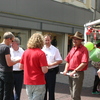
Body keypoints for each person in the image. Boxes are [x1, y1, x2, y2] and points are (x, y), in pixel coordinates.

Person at [19, 33, 48, 100]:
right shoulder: (41, 53)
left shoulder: (25, 52)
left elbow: (21, 66)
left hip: (28, 81)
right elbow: (44, 70)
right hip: (38, 81)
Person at [62, 31, 89, 100]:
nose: (74, 40)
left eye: (76, 39)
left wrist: (75, 70)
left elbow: (84, 62)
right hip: (71, 72)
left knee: (75, 93)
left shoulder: (84, 49)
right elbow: (67, 60)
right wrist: (65, 70)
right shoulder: (72, 49)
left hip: (78, 73)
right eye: (73, 39)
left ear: (80, 40)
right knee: (71, 91)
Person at [0, 32, 20, 100]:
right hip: (7, 73)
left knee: (1, 91)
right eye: (12, 40)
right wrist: (18, 60)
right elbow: (9, 63)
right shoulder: (6, 48)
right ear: (8, 39)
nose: (11, 43)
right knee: (7, 93)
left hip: (1, 72)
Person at [42, 34, 62, 100]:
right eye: (45, 40)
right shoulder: (41, 49)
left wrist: (50, 65)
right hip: (42, 72)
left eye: (48, 40)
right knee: (43, 89)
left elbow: (59, 60)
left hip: (51, 71)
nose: (47, 41)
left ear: (51, 40)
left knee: (51, 89)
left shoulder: (55, 49)